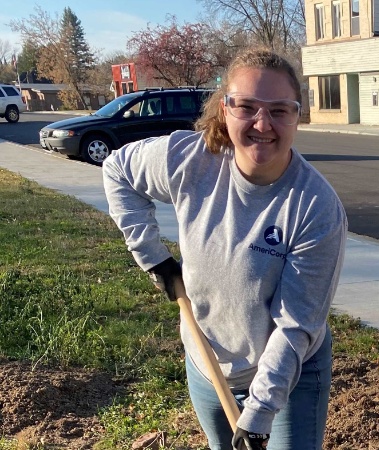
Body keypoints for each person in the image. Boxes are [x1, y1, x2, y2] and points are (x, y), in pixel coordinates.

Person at [103, 47, 347, 450]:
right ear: (224, 109)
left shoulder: (316, 207)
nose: (262, 123)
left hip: (292, 373)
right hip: (207, 360)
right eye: (247, 106)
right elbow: (118, 171)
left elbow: (296, 325)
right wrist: (153, 257)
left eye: (279, 110)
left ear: (297, 116)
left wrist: (259, 412)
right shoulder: (189, 160)